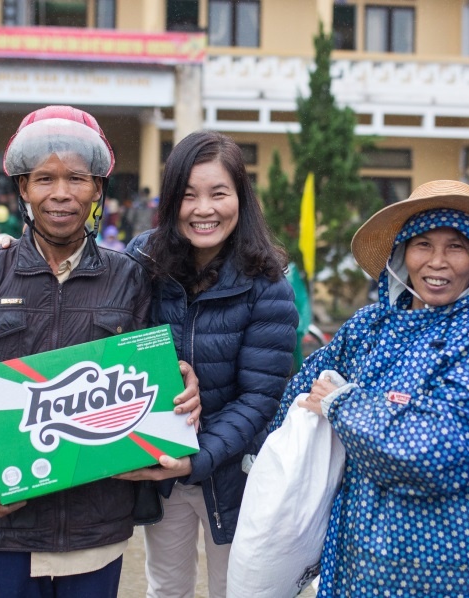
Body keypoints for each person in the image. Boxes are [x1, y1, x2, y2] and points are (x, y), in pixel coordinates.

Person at [0, 105, 200, 598]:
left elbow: (155, 375)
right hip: (6, 524)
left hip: (97, 525)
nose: (61, 193)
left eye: (76, 178)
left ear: (97, 190)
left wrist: (181, 384)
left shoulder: (130, 278)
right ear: (23, 189)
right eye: (44, 178)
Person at [270, 180, 469, 596]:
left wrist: (343, 405)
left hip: (438, 564)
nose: (437, 262)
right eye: (423, 244)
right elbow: (302, 390)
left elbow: (444, 448)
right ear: (402, 253)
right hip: (354, 551)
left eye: (456, 247)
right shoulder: (369, 325)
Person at [117, 130, 299, 597]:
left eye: (219, 193)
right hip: (161, 466)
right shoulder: (143, 260)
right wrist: (11, 252)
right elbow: (89, 297)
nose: (204, 209)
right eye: (188, 195)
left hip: (235, 472)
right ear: (170, 200)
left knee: (233, 588)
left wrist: (196, 458)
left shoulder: (267, 284)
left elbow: (260, 397)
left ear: (241, 197)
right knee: (166, 586)